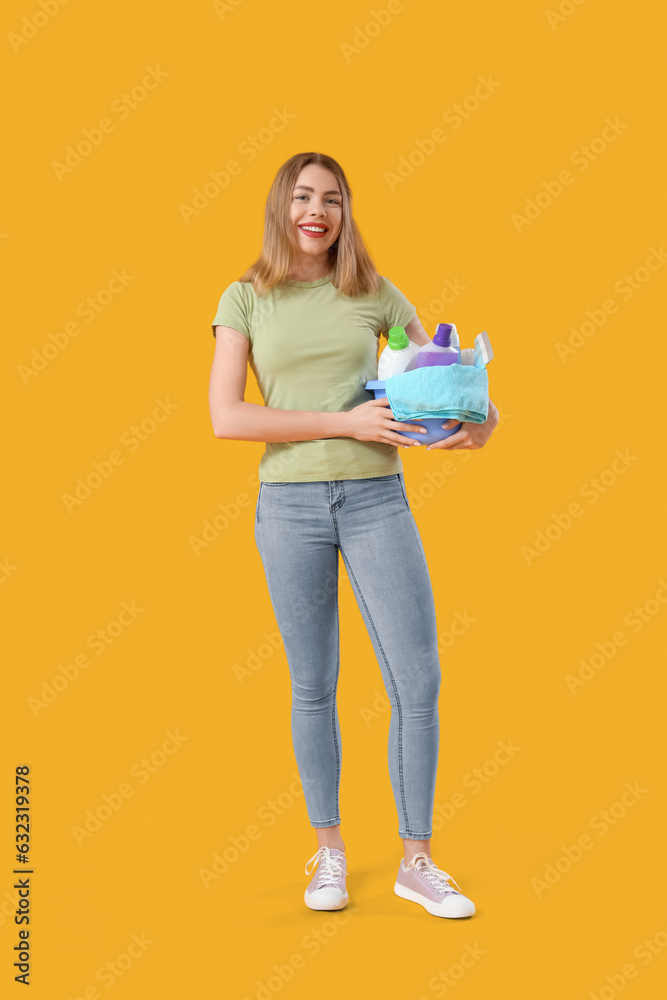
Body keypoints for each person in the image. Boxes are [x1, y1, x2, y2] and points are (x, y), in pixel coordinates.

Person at [208, 151, 499, 919]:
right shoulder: (243, 299)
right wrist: (343, 420)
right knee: (314, 685)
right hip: (290, 509)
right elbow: (226, 416)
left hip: (376, 498)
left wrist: (482, 420)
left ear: (344, 213)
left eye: (331, 199)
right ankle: (330, 854)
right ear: (281, 207)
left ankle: (416, 861)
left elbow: (441, 368)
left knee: (418, 679)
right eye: (303, 196)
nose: (317, 210)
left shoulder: (370, 291)